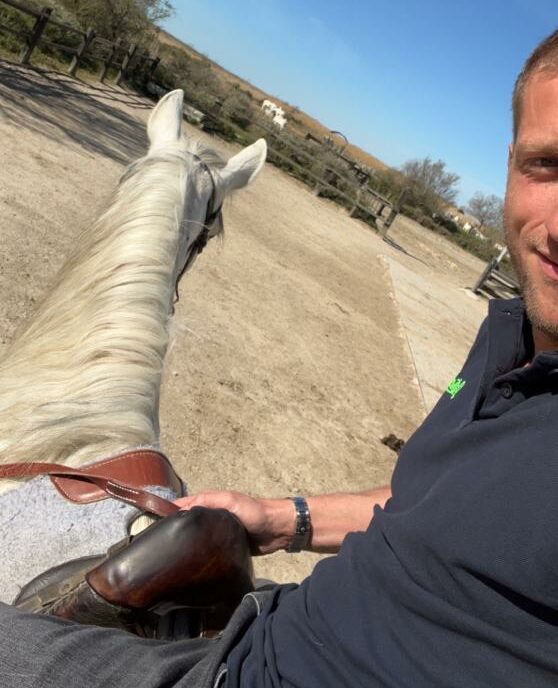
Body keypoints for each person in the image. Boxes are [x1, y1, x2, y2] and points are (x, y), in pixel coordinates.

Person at [4, 27, 558, 688]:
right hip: (272, 622)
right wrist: (287, 517)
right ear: (511, 163)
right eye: (547, 164)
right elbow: (430, 500)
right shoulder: (508, 337)